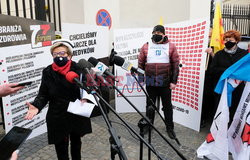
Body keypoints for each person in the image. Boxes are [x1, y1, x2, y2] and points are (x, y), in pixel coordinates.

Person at [24, 39, 92, 160]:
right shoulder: (48, 72)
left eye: (62, 53)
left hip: (76, 113)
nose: (59, 56)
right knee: (61, 150)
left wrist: (86, 98)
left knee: (76, 145)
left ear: (69, 55)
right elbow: (43, 94)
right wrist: (37, 105)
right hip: (58, 116)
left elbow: (88, 88)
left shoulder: (78, 69)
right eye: (55, 54)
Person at [138, 25, 179, 139]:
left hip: (165, 82)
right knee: (150, 106)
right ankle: (148, 125)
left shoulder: (171, 46)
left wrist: (174, 81)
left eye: (159, 33)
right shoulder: (146, 46)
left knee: (167, 107)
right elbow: (140, 64)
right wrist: (141, 79)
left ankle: (170, 128)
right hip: (150, 82)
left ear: (163, 34)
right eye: (154, 32)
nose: (156, 34)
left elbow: (176, 65)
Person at [209, 30, 248, 123]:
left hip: (237, 88)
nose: (228, 42)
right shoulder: (219, 54)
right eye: (226, 40)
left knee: (235, 108)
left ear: (237, 41)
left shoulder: (244, 54)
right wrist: (227, 71)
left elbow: (246, 70)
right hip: (222, 87)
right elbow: (212, 70)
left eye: (230, 39)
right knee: (220, 108)